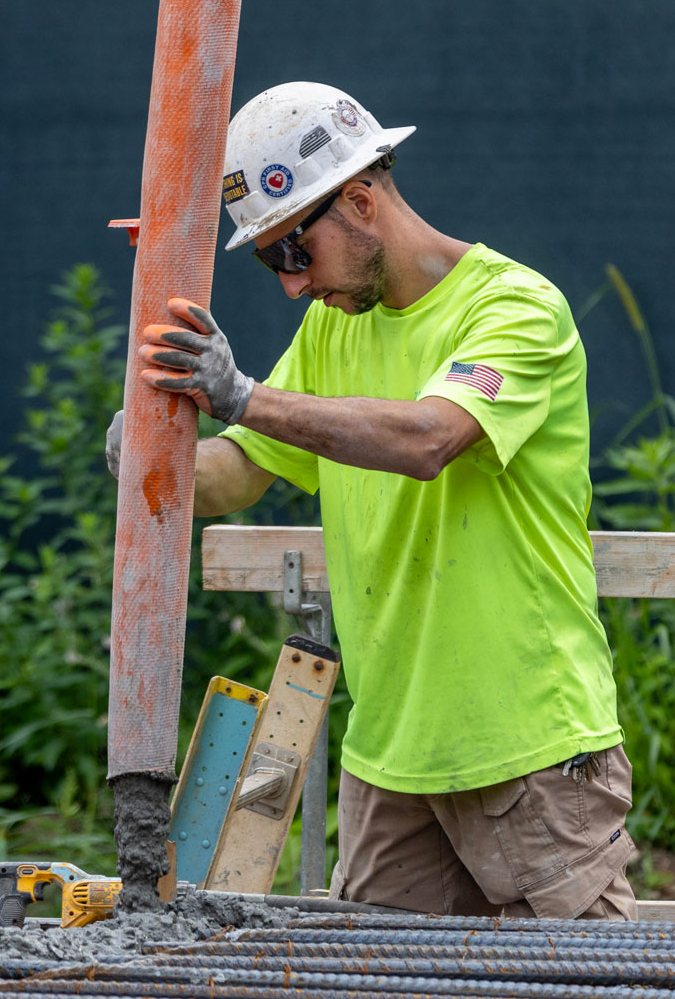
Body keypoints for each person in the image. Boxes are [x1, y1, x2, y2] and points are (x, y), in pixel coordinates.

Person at [108, 81, 637, 920]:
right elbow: (239, 471)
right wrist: (151, 450)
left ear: (359, 201)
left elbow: (428, 438)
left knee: (585, 983)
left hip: (529, 751)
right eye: (268, 260)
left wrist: (242, 394)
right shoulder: (335, 326)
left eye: (293, 253)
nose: (289, 286)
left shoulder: (515, 309)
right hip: (390, 763)